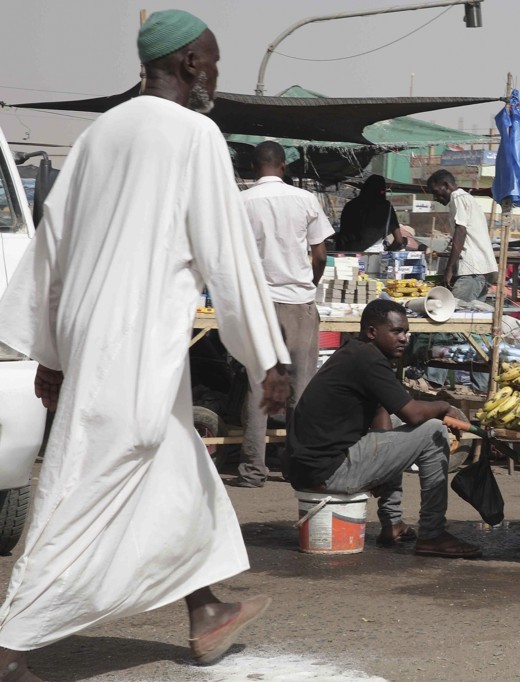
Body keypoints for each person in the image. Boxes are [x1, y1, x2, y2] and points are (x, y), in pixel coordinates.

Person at [0, 11, 292, 678]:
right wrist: (266, 358)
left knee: (178, 471)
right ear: (190, 64)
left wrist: (49, 349)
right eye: (212, 61)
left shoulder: (101, 134)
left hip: (104, 345)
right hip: (130, 352)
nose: (216, 74)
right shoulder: (194, 135)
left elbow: (55, 243)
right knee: (82, 495)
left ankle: (206, 609)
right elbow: (228, 256)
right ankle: (10, 647)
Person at [281, 299, 482, 559]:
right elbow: (411, 413)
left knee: (396, 430)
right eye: (396, 331)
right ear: (372, 332)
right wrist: (444, 406)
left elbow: (381, 416)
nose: (404, 338)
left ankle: (392, 524)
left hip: (312, 468)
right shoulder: (368, 360)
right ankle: (433, 534)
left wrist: (382, 472)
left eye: (406, 332)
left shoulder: (355, 353)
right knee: (432, 430)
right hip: (326, 471)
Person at [229, 141, 334, 488]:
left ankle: (252, 470)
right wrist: (309, 284)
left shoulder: (240, 202)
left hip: (258, 304)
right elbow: (319, 254)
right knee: (300, 390)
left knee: (259, 386)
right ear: (284, 167)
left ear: (252, 168)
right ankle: (295, 466)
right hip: (297, 303)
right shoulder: (304, 200)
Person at [425, 169, 498, 302]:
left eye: (436, 192)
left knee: (453, 311)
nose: (435, 198)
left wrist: (449, 269)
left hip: (471, 271)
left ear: (446, 185)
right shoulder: (465, 198)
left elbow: (461, 231)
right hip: (480, 270)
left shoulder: (457, 197)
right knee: (472, 316)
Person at [334, 174, 404, 253]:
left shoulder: (351, 205)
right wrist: (387, 251)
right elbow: (399, 240)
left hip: (350, 254)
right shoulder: (386, 207)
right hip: (375, 255)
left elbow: (343, 234)